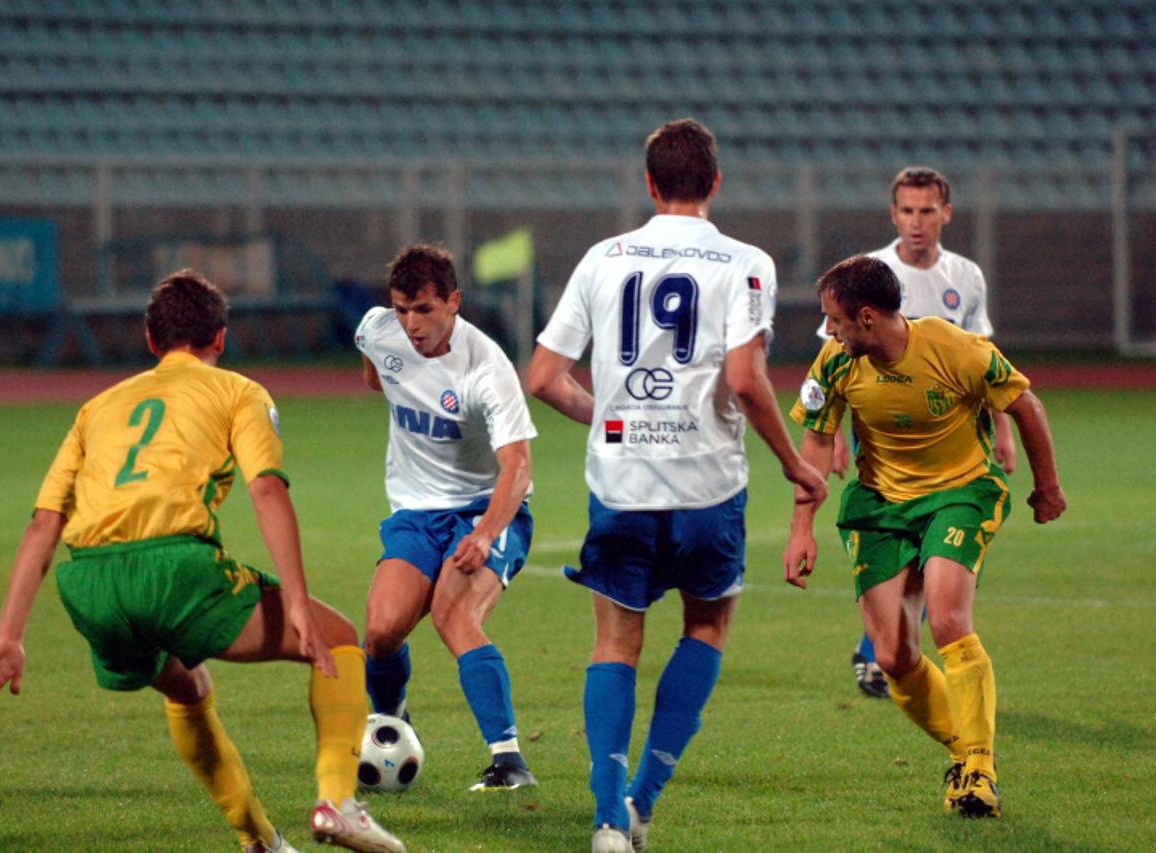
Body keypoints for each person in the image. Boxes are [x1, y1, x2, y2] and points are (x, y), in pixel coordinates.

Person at [0, 270, 405, 853]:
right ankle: (337, 803)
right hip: (174, 569)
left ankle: (259, 840)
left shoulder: (95, 408)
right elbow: (267, 490)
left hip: (91, 586)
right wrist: (296, 602)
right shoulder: (238, 392)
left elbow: (45, 524)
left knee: (185, 687)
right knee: (341, 639)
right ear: (219, 339)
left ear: (150, 339)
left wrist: (9, 636)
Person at [528, 118, 828, 852]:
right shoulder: (745, 261)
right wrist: (794, 463)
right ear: (715, 182)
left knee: (614, 643)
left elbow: (540, 377)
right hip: (707, 486)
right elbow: (746, 380)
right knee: (705, 627)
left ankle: (604, 819)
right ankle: (641, 802)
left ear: (649, 183)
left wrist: (611, 417)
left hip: (621, 483)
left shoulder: (604, 258)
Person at [784, 255, 1066, 818]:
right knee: (892, 656)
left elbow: (1026, 405)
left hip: (960, 495)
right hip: (880, 506)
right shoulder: (835, 362)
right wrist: (801, 530)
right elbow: (817, 440)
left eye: (835, 321)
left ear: (867, 317)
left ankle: (980, 769)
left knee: (948, 620)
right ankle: (965, 751)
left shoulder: (955, 348)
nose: (829, 331)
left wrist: (1048, 488)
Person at [821, 166, 1018, 699]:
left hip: (953, 430)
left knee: (934, 543)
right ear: (893, 214)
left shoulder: (966, 277)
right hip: (881, 430)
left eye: (927, 211)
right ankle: (877, 650)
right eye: (907, 211)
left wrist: (1005, 430)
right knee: (891, 532)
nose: (916, 222)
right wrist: (834, 434)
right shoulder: (865, 274)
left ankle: (881, 652)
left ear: (945, 214)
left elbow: (988, 363)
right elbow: (833, 356)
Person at [354, 244, 538, 792]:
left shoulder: (487, 368)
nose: (412, 324)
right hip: (415, 513)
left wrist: (485, 535)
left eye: (425, 310)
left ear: (454, 302)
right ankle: (391, 725)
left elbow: (519, 466)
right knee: (381, 632)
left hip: (486, 510)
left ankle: (508, 760)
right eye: (402, 309)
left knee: (453, 616)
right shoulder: (376, 330)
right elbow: (374, 377)